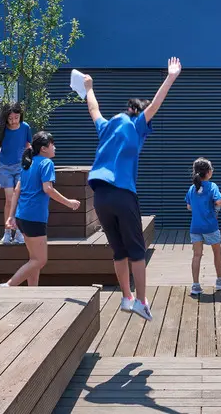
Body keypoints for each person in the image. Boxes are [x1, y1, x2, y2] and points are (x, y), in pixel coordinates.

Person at [83, 57, 182, 321]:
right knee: (136, 250)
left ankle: (126, 297)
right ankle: (141, 300)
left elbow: (94, 109)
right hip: (122, 193)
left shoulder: (107, 126)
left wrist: (89, 87)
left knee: (119, 249)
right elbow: (156, 103)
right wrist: (171, 76)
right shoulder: (136, 124)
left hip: (100, 196)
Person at [0, 131, 80, 287]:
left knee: (34, 259)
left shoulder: (28, 164)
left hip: (22, 217)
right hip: (35, 217)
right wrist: (69, 203)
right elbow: (48, 189)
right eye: (52, 144)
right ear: (44, 148)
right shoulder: (46, 164)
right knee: (40, 260)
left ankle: (33, 292)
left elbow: (17, 190)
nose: (55, 147)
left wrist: (11, 217)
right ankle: (8, 286)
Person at [0, 102, 32, 244]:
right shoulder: (2, 129)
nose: (14, 121)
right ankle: (7, 232)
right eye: (11, 118)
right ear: (6, 118)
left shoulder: (25, 127)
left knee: (19, 198)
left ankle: (20, 233)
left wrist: (30, 154)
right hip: (5, 168)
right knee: (9, 200)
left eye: (16, 117)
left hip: (21, 167)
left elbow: (28, 143)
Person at [185, 157, 221, 295]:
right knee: (217, 252)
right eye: (211, 168)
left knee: (197, 255)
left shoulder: (192, 188)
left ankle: (195, 286)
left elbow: (189, 206)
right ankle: (219, 281)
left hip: (195, 227)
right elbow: (218, 202)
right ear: (207, 172)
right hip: (210, 226)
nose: (212, 170)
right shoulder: (212, 186)